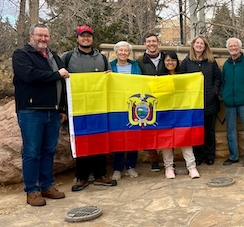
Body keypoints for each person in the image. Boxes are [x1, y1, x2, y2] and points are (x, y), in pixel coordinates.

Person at [13, 23, 68, 206]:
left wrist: (62, 108)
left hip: (52, 112)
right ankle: (32, 190)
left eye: (46, 36)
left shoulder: (53, 57)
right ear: (31, 36)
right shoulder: (22, 55)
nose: (43, 39)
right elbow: (30, 76)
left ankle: (47, 185)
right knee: (31, 152)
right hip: (31, 111)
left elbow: (62, 84)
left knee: (49, 151)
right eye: (39, 36)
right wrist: (56, 74)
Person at [63, 25, 117, 191]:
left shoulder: (101, 58)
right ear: (77, 38)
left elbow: (110, 79)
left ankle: (101, 174)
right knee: (81, 141)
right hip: (78, 109)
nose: (85, 38)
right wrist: (63, 108)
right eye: (82, 36)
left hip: (99, 107)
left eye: (88, 36)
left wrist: (109, 76)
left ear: (92, 38)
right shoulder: (68, 57)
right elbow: (60, 81)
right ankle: (82, 177)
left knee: (100, 140)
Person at [180, 35, 221, 166]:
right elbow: (181, 80)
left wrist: (215, 90)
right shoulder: (187, 62)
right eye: (197, 43)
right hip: (194, 103)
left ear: (205, 46)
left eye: (202, 44)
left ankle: (210, 155)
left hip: (210, 101)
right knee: (196, 131)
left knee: (209, 131)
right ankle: (198, 156)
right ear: (193, 45)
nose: (199, 45)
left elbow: (217, 78)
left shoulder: (211, 62)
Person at [161, 51, 200, 179]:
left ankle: (191, 166)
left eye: (173, 60)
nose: (170, 62)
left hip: (181, 112)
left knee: (185, 138)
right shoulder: (159, 77)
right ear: (164, 62)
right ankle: (169, 167)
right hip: (165, 112)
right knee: (166, 141)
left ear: (177, 62)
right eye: (167, 60)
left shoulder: (183, 77)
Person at [220, 37, 244, 167]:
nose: (233, 48)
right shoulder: (226, 64)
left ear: (240, 47)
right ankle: (233, 156)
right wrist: (223, 95)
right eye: (231, 46)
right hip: (229, 103)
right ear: (228, 48)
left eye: (235, 45)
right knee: (230, 131)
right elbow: (222, 82)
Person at [109, 41, 142, 180]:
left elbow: (141, 82)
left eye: (126, 50)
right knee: (117, 137)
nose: (123, 53)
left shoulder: (135, 66)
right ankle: (117, 168)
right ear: (116, 52)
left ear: (129, 53)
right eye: (120, 50)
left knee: (132, 135)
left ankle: (130, 166)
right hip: (116, 106)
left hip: (132, 105)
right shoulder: (110, 66)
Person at [137, 33, 168, 172]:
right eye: (148, 41)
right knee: (148, 130)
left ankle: (168, 159)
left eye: (154, 41)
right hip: (147, 101)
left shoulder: (166, 58)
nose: (151, 44)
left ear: (158, 43)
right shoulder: (140, 61)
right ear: (145, 44)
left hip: (165, 98)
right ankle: (154, 159)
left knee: (166, 128)